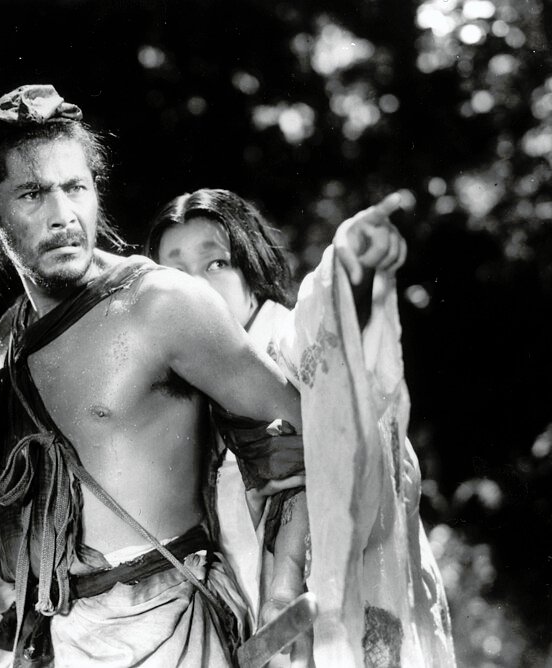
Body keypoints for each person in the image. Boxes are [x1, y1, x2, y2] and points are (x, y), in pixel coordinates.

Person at [0, 86, 408, 667]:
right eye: (33, 194)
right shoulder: (9, 339)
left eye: (75, 188)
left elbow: (304, 439)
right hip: (56, 636)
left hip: (170, 628)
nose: (63, 215)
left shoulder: (161, 304)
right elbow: (3, 479)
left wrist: (281, 588)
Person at [147, 189, 456, 667]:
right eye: (177, 274)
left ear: (252, 272)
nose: (197, 289)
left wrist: (347, 267)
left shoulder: (283, 345)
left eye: (216, 264)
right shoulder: (184, 395)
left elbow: (322, 327)